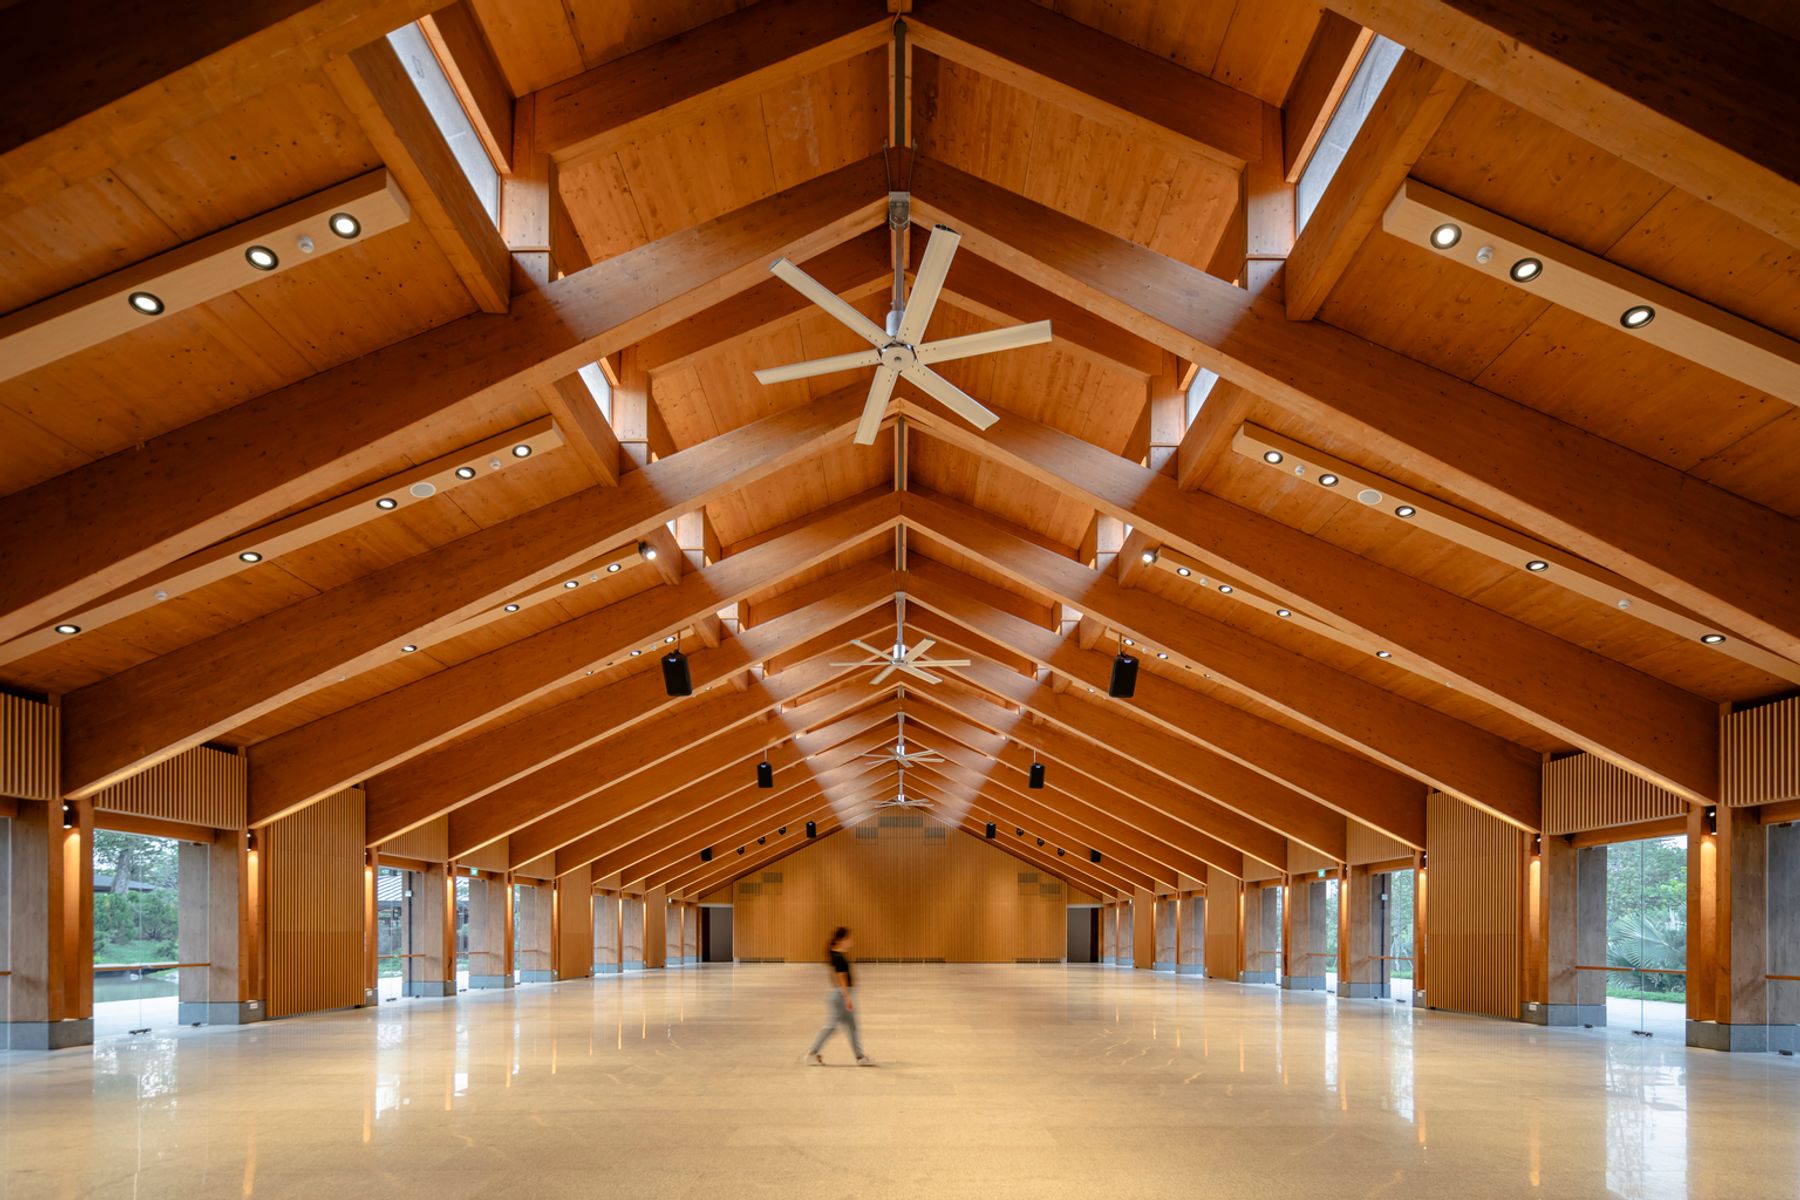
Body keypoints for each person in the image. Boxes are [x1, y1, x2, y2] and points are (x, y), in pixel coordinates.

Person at [805, 927, 873, 1066]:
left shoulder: (835, 954)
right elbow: (841, 978)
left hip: (841, 995)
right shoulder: (838, 957)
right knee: (832, 1026)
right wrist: (847, 998)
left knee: (852, 1026)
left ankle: (860, 1057)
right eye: (849, 938)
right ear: (842, 939)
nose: (851, 941)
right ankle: (812, 1053)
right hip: (840, 996)